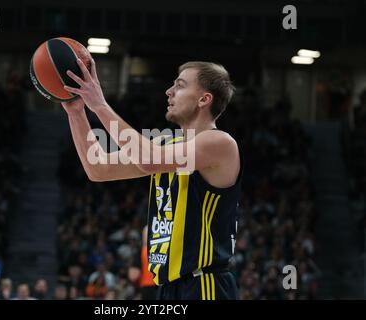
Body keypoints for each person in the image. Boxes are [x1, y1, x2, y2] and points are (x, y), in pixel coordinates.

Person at [61, 59, 243, 300]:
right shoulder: (164, 146)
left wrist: (100, 105)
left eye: (180, 85)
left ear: (203, 99)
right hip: (168, 287)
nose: (169, 91)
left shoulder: (220, 143)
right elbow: (98, 168)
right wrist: (76, 112)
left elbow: (148, 160)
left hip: (204, 285)